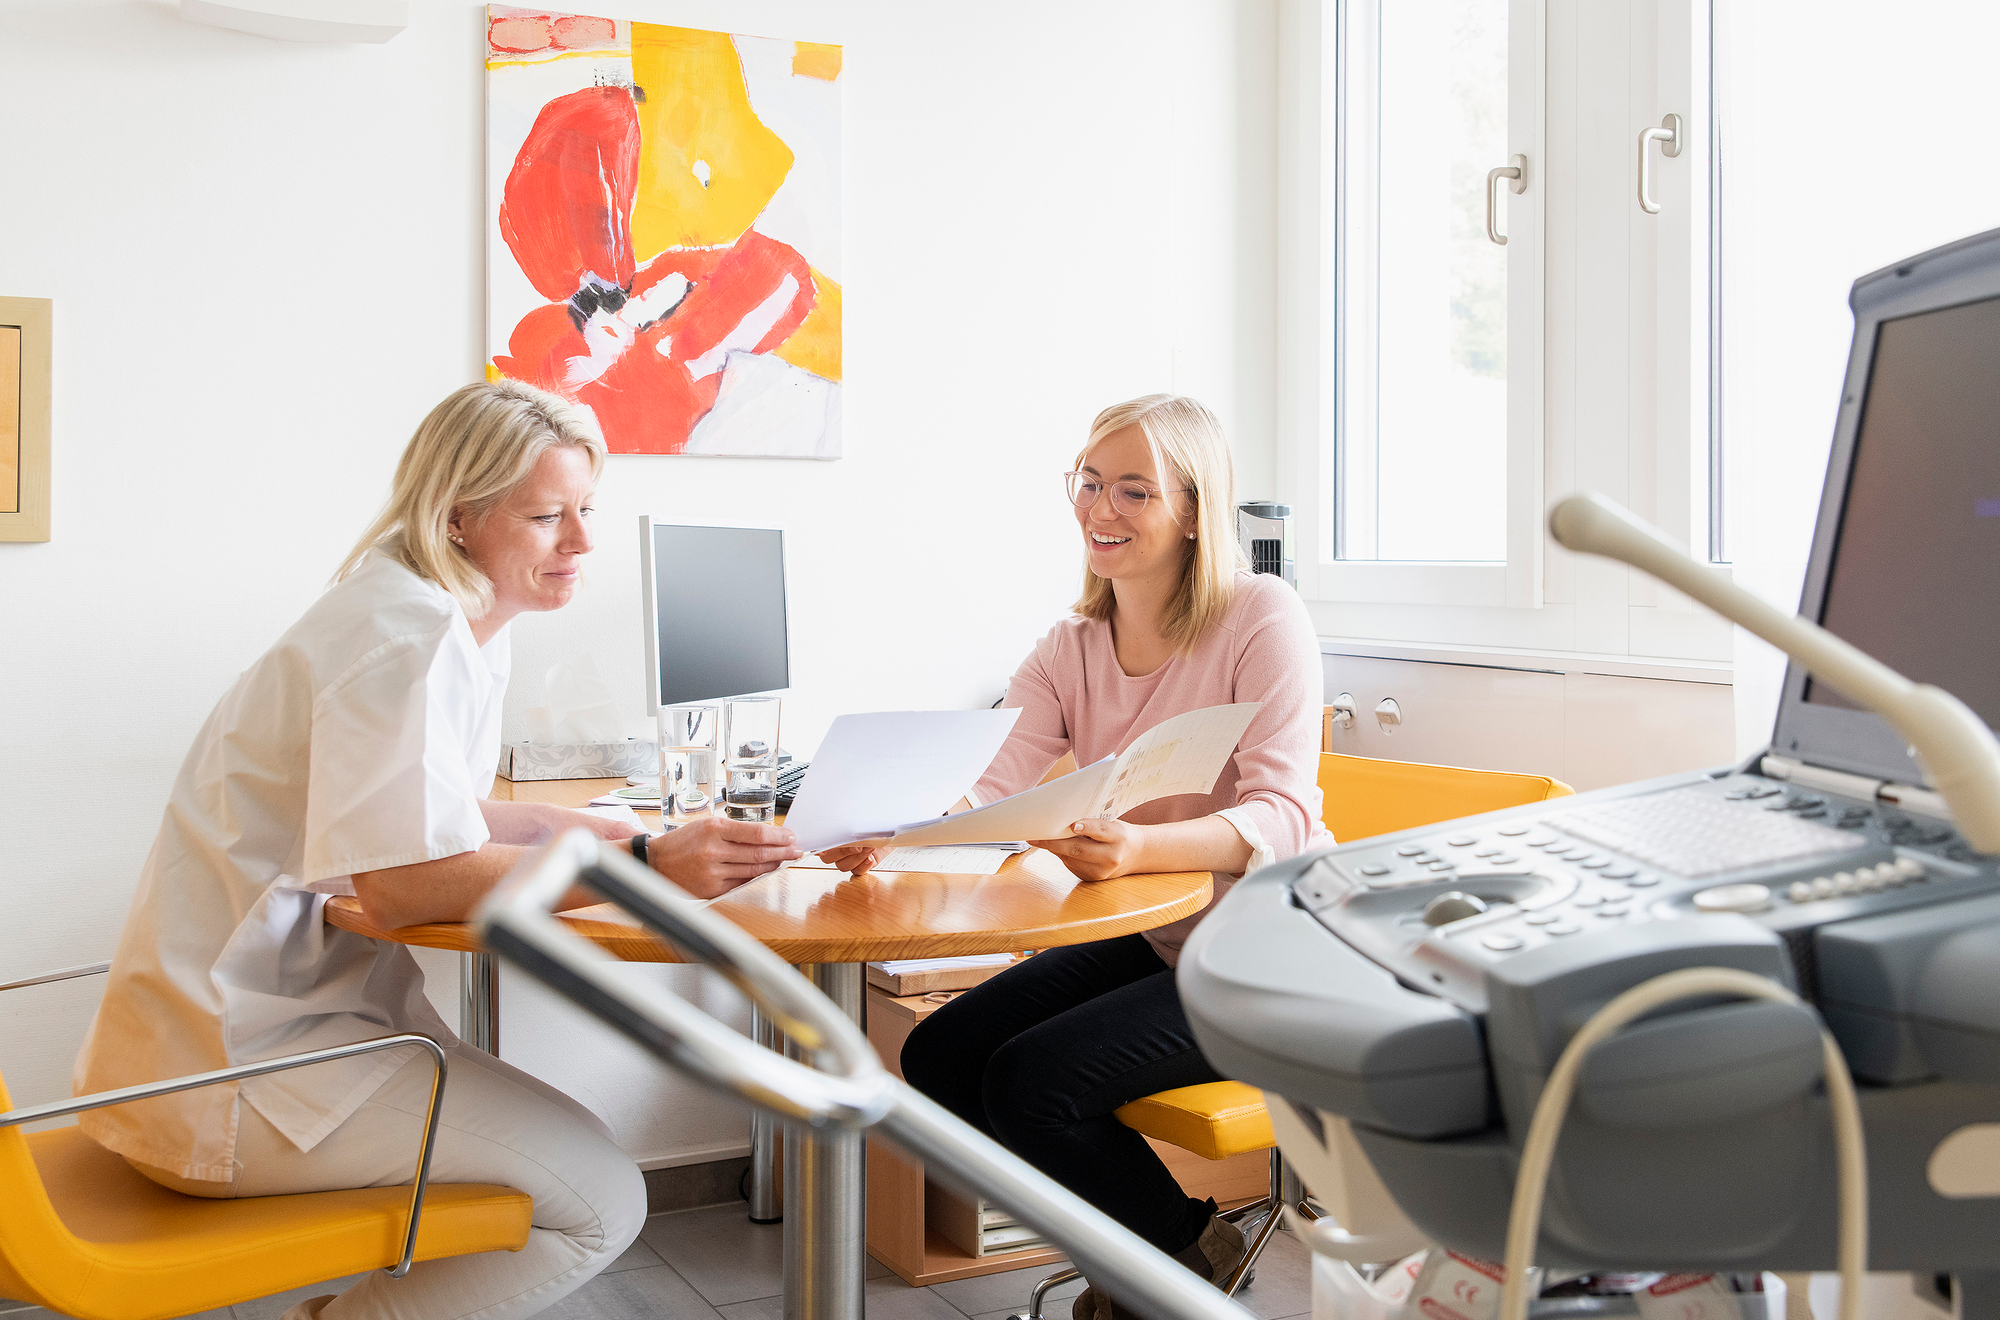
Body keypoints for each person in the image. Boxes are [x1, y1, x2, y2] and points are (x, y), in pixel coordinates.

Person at [71, 380, 804, 1320]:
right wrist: (646, 868)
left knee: (576, 1155)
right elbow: (404, 886)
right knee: (602, 1202)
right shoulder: (407, 637)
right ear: (457, 517)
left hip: (270, 1029)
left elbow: (433, 814)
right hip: (239, 1070)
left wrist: (597, 832)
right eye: (546, 516)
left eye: (587, 509)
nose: (582, 542)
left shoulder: (433, 612)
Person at [828, 395, 1331, 1320]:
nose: (1101, 509)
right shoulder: (1072, 644)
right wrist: (889, 827)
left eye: (1134, 490)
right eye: (1090, 483)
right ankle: (1177, 1249)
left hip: (1276, 952)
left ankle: (1162, 1265)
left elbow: (1286, 815)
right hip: (1166, 934)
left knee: (1031, 1083)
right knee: (941, 1054)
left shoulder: (1260, 616)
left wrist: (1138, 846)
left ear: (1195, 510)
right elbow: (985, 784)